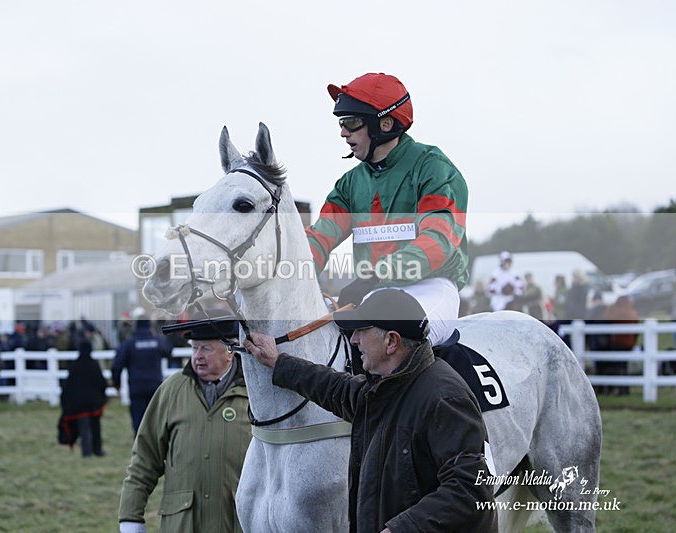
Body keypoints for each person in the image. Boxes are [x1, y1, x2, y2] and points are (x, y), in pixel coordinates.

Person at [244, 289, 497, 532]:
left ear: (391, 341)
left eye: (362, 331)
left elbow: (472, 489)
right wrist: (278, 362)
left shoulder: (445, 398)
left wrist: (399, 529)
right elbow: (334, 387)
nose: (354, 340)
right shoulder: (388, 387)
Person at [305, 72, 468, 349]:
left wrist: (375, 274)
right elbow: (320, 236)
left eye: (351, 122)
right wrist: (292, 271)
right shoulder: (350, 183)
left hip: (430, 287)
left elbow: (438, 241)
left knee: (390, 344)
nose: (343, 132)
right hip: (374, 291)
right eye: (341, 123)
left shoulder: (434, 168)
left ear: (385, 124)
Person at [118, 313, 250, 533]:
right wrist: (130, 517)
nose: (198, 356)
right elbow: (144, 458)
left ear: (230, 351)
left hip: (238, 523)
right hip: (182, 525)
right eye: (194, 348)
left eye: (206, 349)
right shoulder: (171, 391)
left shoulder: (254, 394)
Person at [111, 307, 171, 434]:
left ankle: (140, 444)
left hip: (136, 387)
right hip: (155, 386)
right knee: (155, 421)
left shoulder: (129, 343)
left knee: (139, 422)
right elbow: (168, 350)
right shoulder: (157, 341)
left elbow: (117, 365)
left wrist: (117, 384)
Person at [60, 341, 108, 457]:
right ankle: (97, 450)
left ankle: (86, 452)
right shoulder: (93, 365)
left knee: (84, 428)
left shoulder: (74, 366)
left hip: (79, 404)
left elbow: (67, 386)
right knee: (95, 427)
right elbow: (102, 383)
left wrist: (66, 402)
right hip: (94, 403)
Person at [603, 295, 640, 395]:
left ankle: (622, 390)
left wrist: (610, 308)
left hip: (619, 343)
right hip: (629, 343)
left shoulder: (620, 312)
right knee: (624, 366)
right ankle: (625, 389)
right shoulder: (632, 312)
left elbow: (607, 318)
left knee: (619, 367)